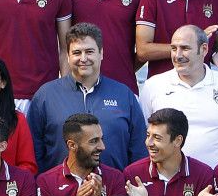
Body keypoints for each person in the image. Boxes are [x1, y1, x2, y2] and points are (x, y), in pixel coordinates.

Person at [27, 23, 145, 173]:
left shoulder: (123, 95)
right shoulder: (45, 96)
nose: (83, 58)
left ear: (101, 53)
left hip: (115, 191)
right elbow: (34, 150)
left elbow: (139, 150)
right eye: (77, 53)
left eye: (89, 51)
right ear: (68, 56)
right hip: (60, 192)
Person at [139, 25, 218, 167]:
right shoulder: (153, 85)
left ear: (204, 49)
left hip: (215, 181)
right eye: (174, 48)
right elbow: (143, 135)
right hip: (168, 182)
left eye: (185, 48)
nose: (178, 55)